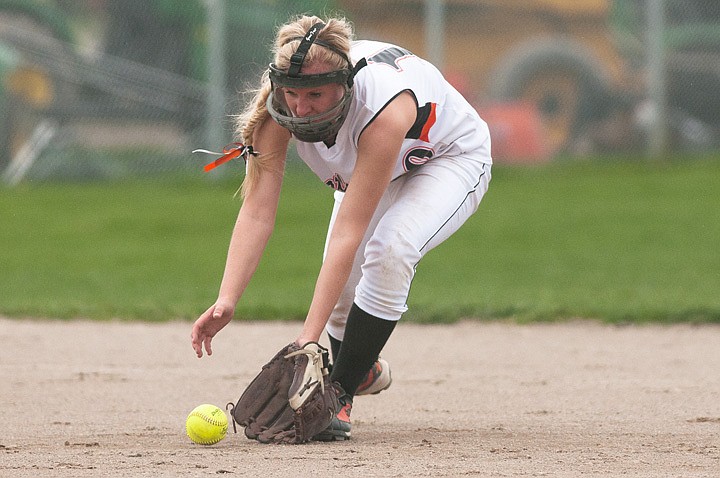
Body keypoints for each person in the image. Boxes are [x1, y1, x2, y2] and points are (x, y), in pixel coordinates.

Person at [190, 14, 492, 441]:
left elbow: (351, 232)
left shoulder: (382, 108)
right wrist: (227, 299)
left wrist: (305, 344)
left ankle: (340, 393)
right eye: (292, 92)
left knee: (391, 250)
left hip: (448, 158)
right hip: (373, 172)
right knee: (342, 297)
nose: (300, 106)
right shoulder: (276, 109)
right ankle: (360, 366)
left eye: (315, 94)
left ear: (345, 84)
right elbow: (257, 212)